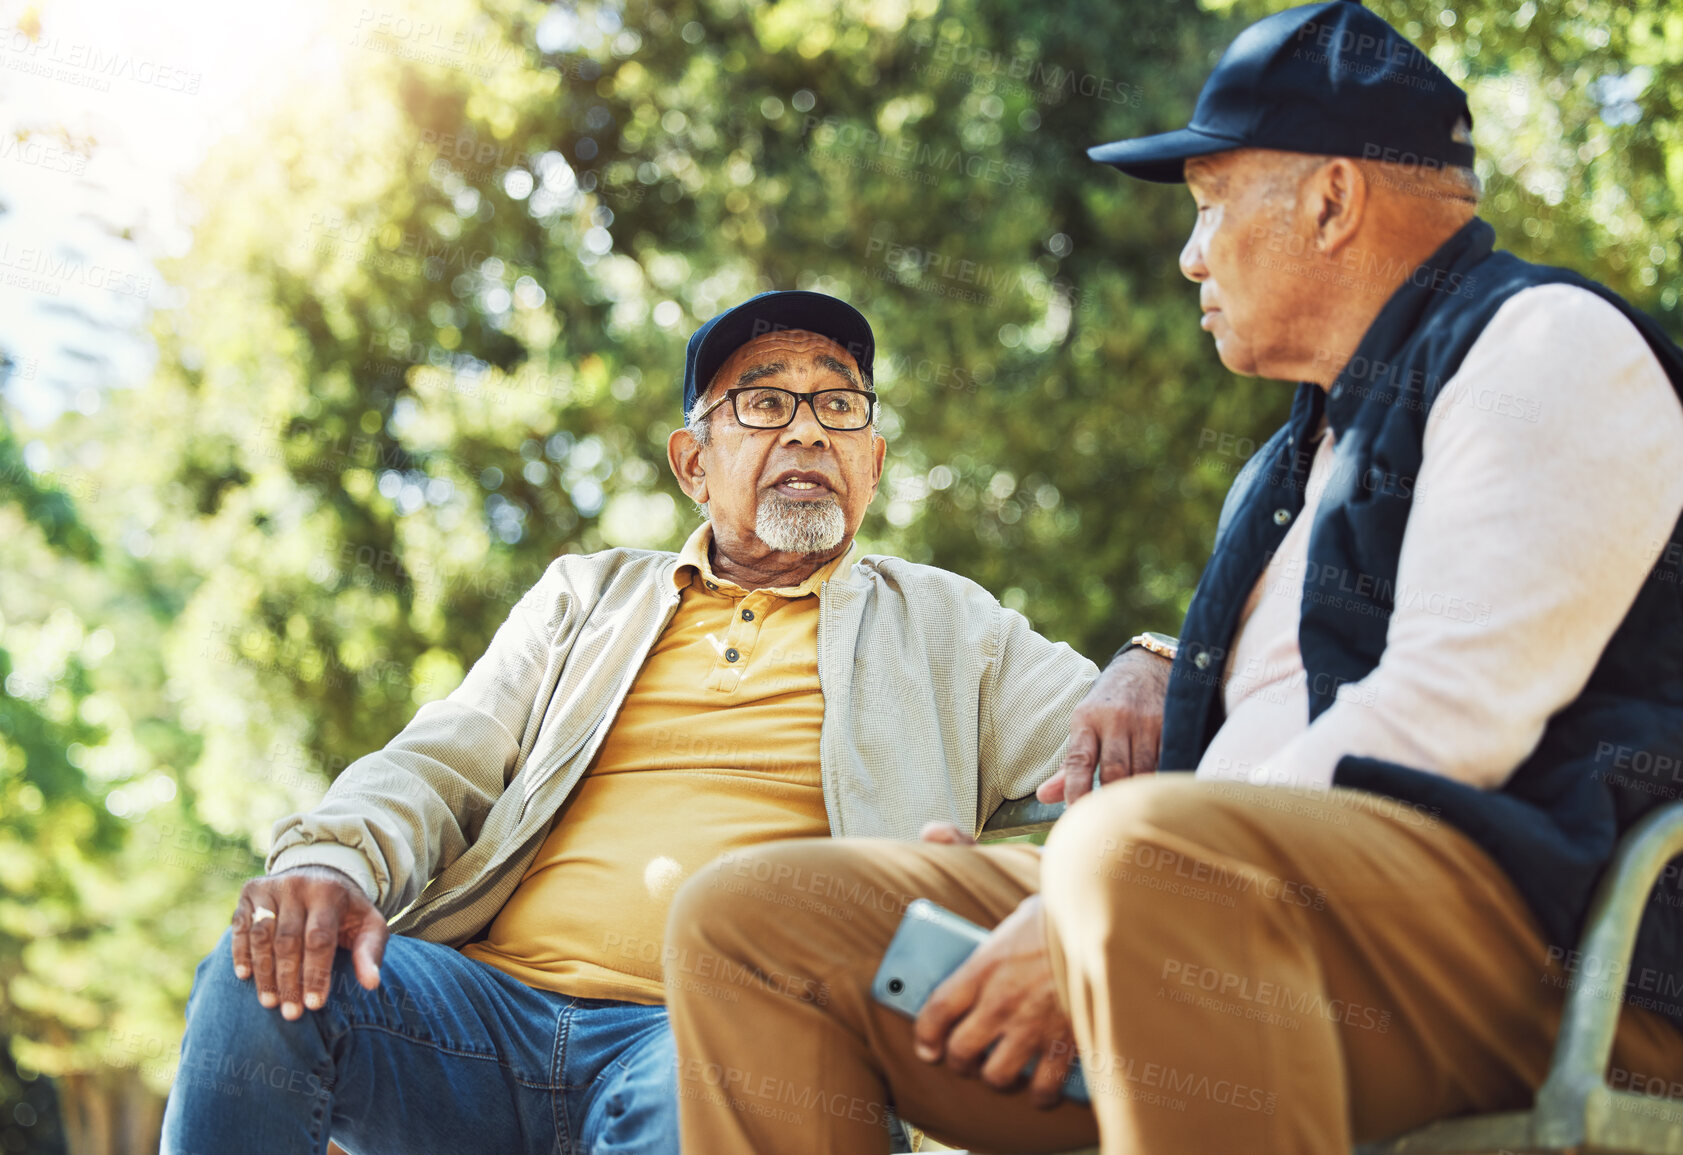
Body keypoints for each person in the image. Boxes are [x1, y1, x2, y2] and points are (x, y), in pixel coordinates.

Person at [663, 4, 1683, 1152]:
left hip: (1551, 959)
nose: (1189, 255)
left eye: (1208, 206)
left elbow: (1449, 720)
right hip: (1217, 923)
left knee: (1137, 860)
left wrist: (1097, 891)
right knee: (758, 923)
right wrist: (1045, 881)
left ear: (1332, 201)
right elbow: (1237, 772)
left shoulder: (1543, 346)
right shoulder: (1285, 470)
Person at [157, 290, 1102, 1154]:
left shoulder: (952, 625)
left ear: (873, 460)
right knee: (267, 971)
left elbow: (1147, 762)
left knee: (715, 1092)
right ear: (693, 462)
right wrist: (326, 860)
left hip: (718, 1036)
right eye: (765, 403)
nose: (809, 433)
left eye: (839, 406)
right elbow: (439, 761)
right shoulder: (588, 594)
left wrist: (1152, 659)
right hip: (484, 1014)